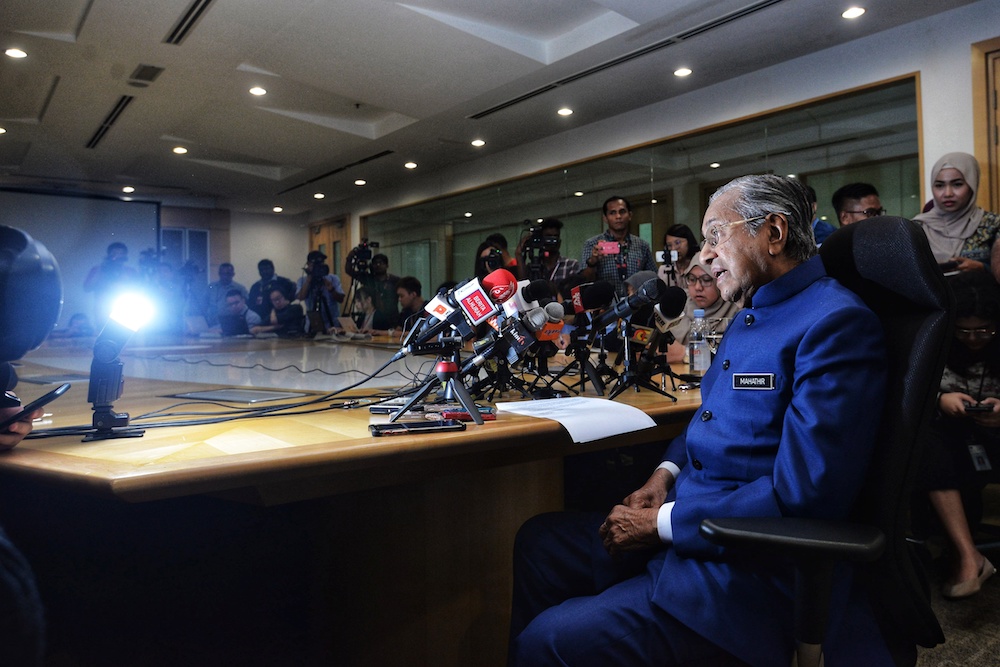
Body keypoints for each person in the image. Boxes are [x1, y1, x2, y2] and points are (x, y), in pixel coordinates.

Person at [510, 174, 891, 666]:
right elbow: (711, 416)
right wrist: (663, 476)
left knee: (546, 642)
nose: (704, 256)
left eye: (715, 236)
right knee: (539, 542)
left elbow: (806, 492)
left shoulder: (835, 322)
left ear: (774, 233)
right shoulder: (754, 308)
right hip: (691, 521)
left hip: (743, 566)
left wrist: (660, 524)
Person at [914, 270, 1000, 599]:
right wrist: (940, 399)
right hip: (947, 437)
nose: (974, 338)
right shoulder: (936, 340)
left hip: (993, 435)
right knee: (927, 443)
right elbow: (907, 392)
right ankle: (968, 556)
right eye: (964, 330)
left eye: (985, 330)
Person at [913, 152, 1000, 280]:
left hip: (981, 292)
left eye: (957, 184)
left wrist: (982, 268)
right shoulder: (916, 228)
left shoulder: (992, 224)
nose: (947, 193)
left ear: (972, 185)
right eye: (939, 185)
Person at [663, 257, 742, 364]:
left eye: (706, 280)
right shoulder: (677, 304)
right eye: (692, 279)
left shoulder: (737, 309)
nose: (698, 287)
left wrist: (685, 353)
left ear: (720, 280)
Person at [580, 195, 657, 297]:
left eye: (622, 212)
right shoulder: (592, 244)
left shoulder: (642, 245)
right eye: (612, 213)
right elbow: (584, 281)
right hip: (605, 302)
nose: (618, 216)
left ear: (630, 215)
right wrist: (592, 262)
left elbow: (653, 277)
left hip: (637, 301)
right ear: (605, 218)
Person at [83, 242, 140, 326]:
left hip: (126, 310)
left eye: (121, 253)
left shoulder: (130, 271)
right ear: (109, 254)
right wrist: (101, 271)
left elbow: (138, 290)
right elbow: (87, 288)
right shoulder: (98, 269)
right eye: (115, 253)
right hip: (103, 311)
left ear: (125, 255)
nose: (118, 256)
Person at [346, 247, 400, 328]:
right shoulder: (369, 279)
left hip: (392, 317)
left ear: (387, 265)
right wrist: (350, 258)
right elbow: (349, 271)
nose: (378, 265)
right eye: (375, 263)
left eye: (381, 263)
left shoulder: (395, 280)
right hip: (374, 318)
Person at [516, 219, 580, 287]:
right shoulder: (533, 267)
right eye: (548, 237)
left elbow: (573, 291)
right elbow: (523, 285)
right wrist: (518, 255)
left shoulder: (571, 265)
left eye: (555, 236)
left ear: (560, 241)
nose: (552, 241)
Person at [296, 250, 345, 334]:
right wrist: (308, 281)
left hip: (332, 326)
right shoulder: (302, 280)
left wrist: (331, 289)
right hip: (312, 325)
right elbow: (300, 297)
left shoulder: (333, 279)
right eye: (315, 265)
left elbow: (341, 299)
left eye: (321, 263)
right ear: (308, 264)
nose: (319, 267)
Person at [203, 263, 247, 327]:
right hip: (211, 323)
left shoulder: (240, 288)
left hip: (231, 323)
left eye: (228, 274)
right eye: (222, 274)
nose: (225, 276)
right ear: (219, 274)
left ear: (233, 274)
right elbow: (204, 304)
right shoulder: (211, 287)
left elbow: (244, 306)